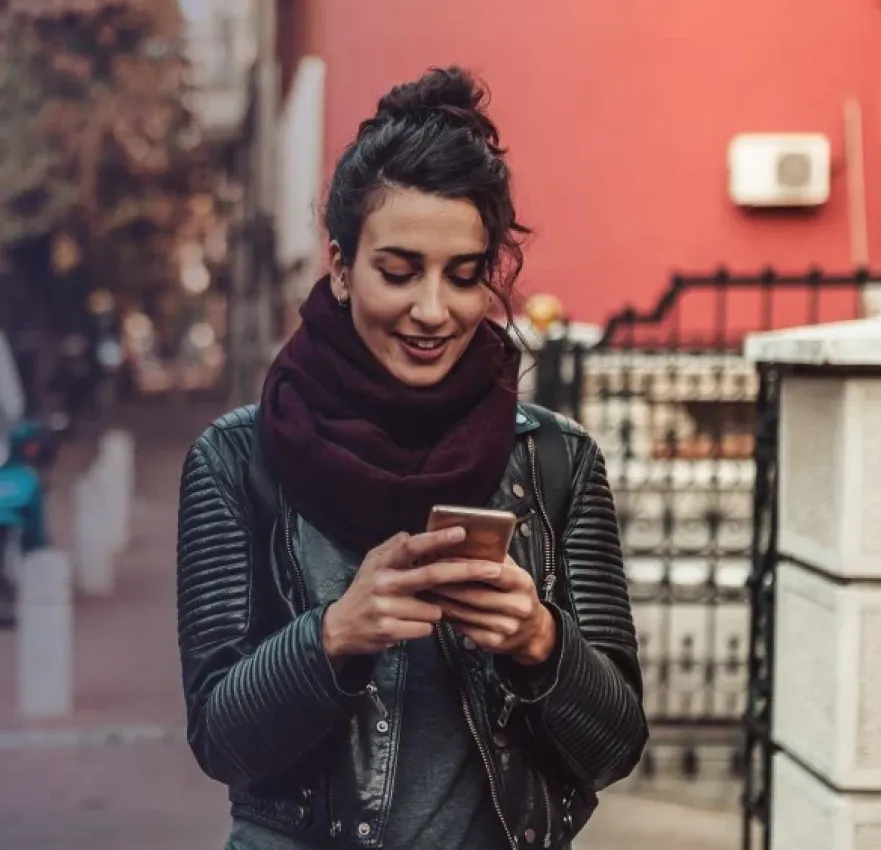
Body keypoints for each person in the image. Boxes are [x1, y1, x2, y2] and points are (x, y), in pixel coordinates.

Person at [176, 66, 648, 850]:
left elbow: (615, 746)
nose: (433, 310)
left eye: (464, 277)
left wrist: (541, 643)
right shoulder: (236, 461)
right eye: (399, 272)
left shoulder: (558, 463)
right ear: (338, 266)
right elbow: (221, 743)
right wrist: (332, 637)